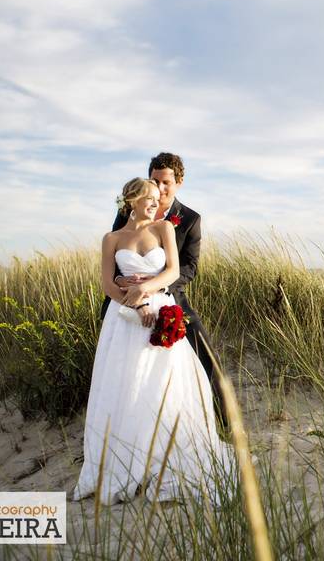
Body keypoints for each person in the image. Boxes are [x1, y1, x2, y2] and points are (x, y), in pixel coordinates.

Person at [72, 178, 235, 505]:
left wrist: (145, 291)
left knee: (163, 385)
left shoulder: (164, 229)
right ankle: (132, 457)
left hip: (162, 311)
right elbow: (107, 285)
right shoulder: (112, 239)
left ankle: (164, 453)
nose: (155, 200)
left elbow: (173, 271)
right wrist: (136, 303)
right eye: (147, 196)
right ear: (131, 200)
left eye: (157, 195)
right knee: (128, 385)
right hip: (125, 321)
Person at [100, 153, 230, 434]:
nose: (159, 189)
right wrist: (126, 284)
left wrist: (153, 285)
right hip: (124, 299)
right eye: (155, 181)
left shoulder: (189, 219)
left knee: (207, 358)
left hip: (171, 298)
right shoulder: (129, 211)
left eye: (165, 182)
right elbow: (116, 260)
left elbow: (189, 269)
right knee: (118, 369)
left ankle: (224, 426)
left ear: (179, 182)